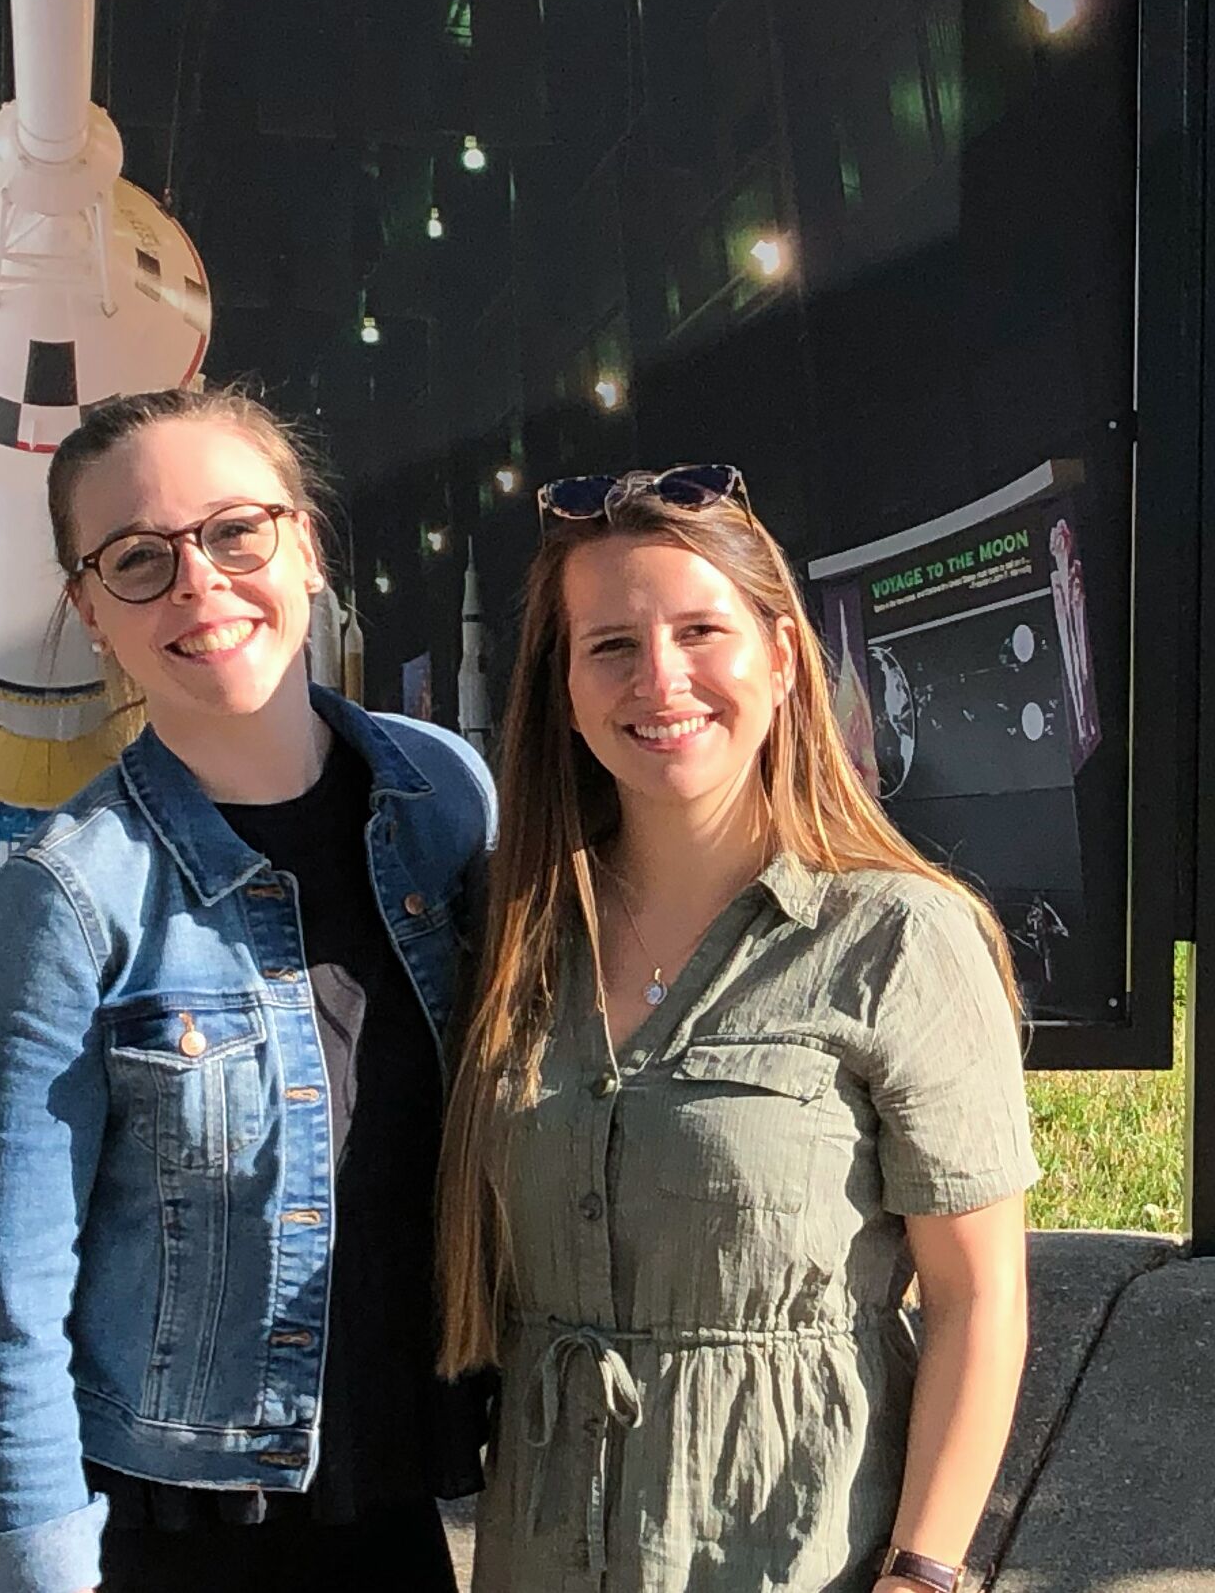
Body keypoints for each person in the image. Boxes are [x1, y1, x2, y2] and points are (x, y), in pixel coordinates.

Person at [0, 386, 496, 1593]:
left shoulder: (443, 801)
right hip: (156, 1536)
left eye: (236, 531)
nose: (198, 582)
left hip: (384, 1512)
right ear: (88, 609)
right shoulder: (67, 901)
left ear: (306, 544)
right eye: (139, 558)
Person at [438, 463, 1038, 1593]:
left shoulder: (899, 939)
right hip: (545, 1553)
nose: (659, 678)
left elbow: (977, 1296)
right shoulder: (516, 938)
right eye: (609, 644)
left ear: (779, 655)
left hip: (794, 1551)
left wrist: (923, 1573)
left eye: (700, 630)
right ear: (562, 688)